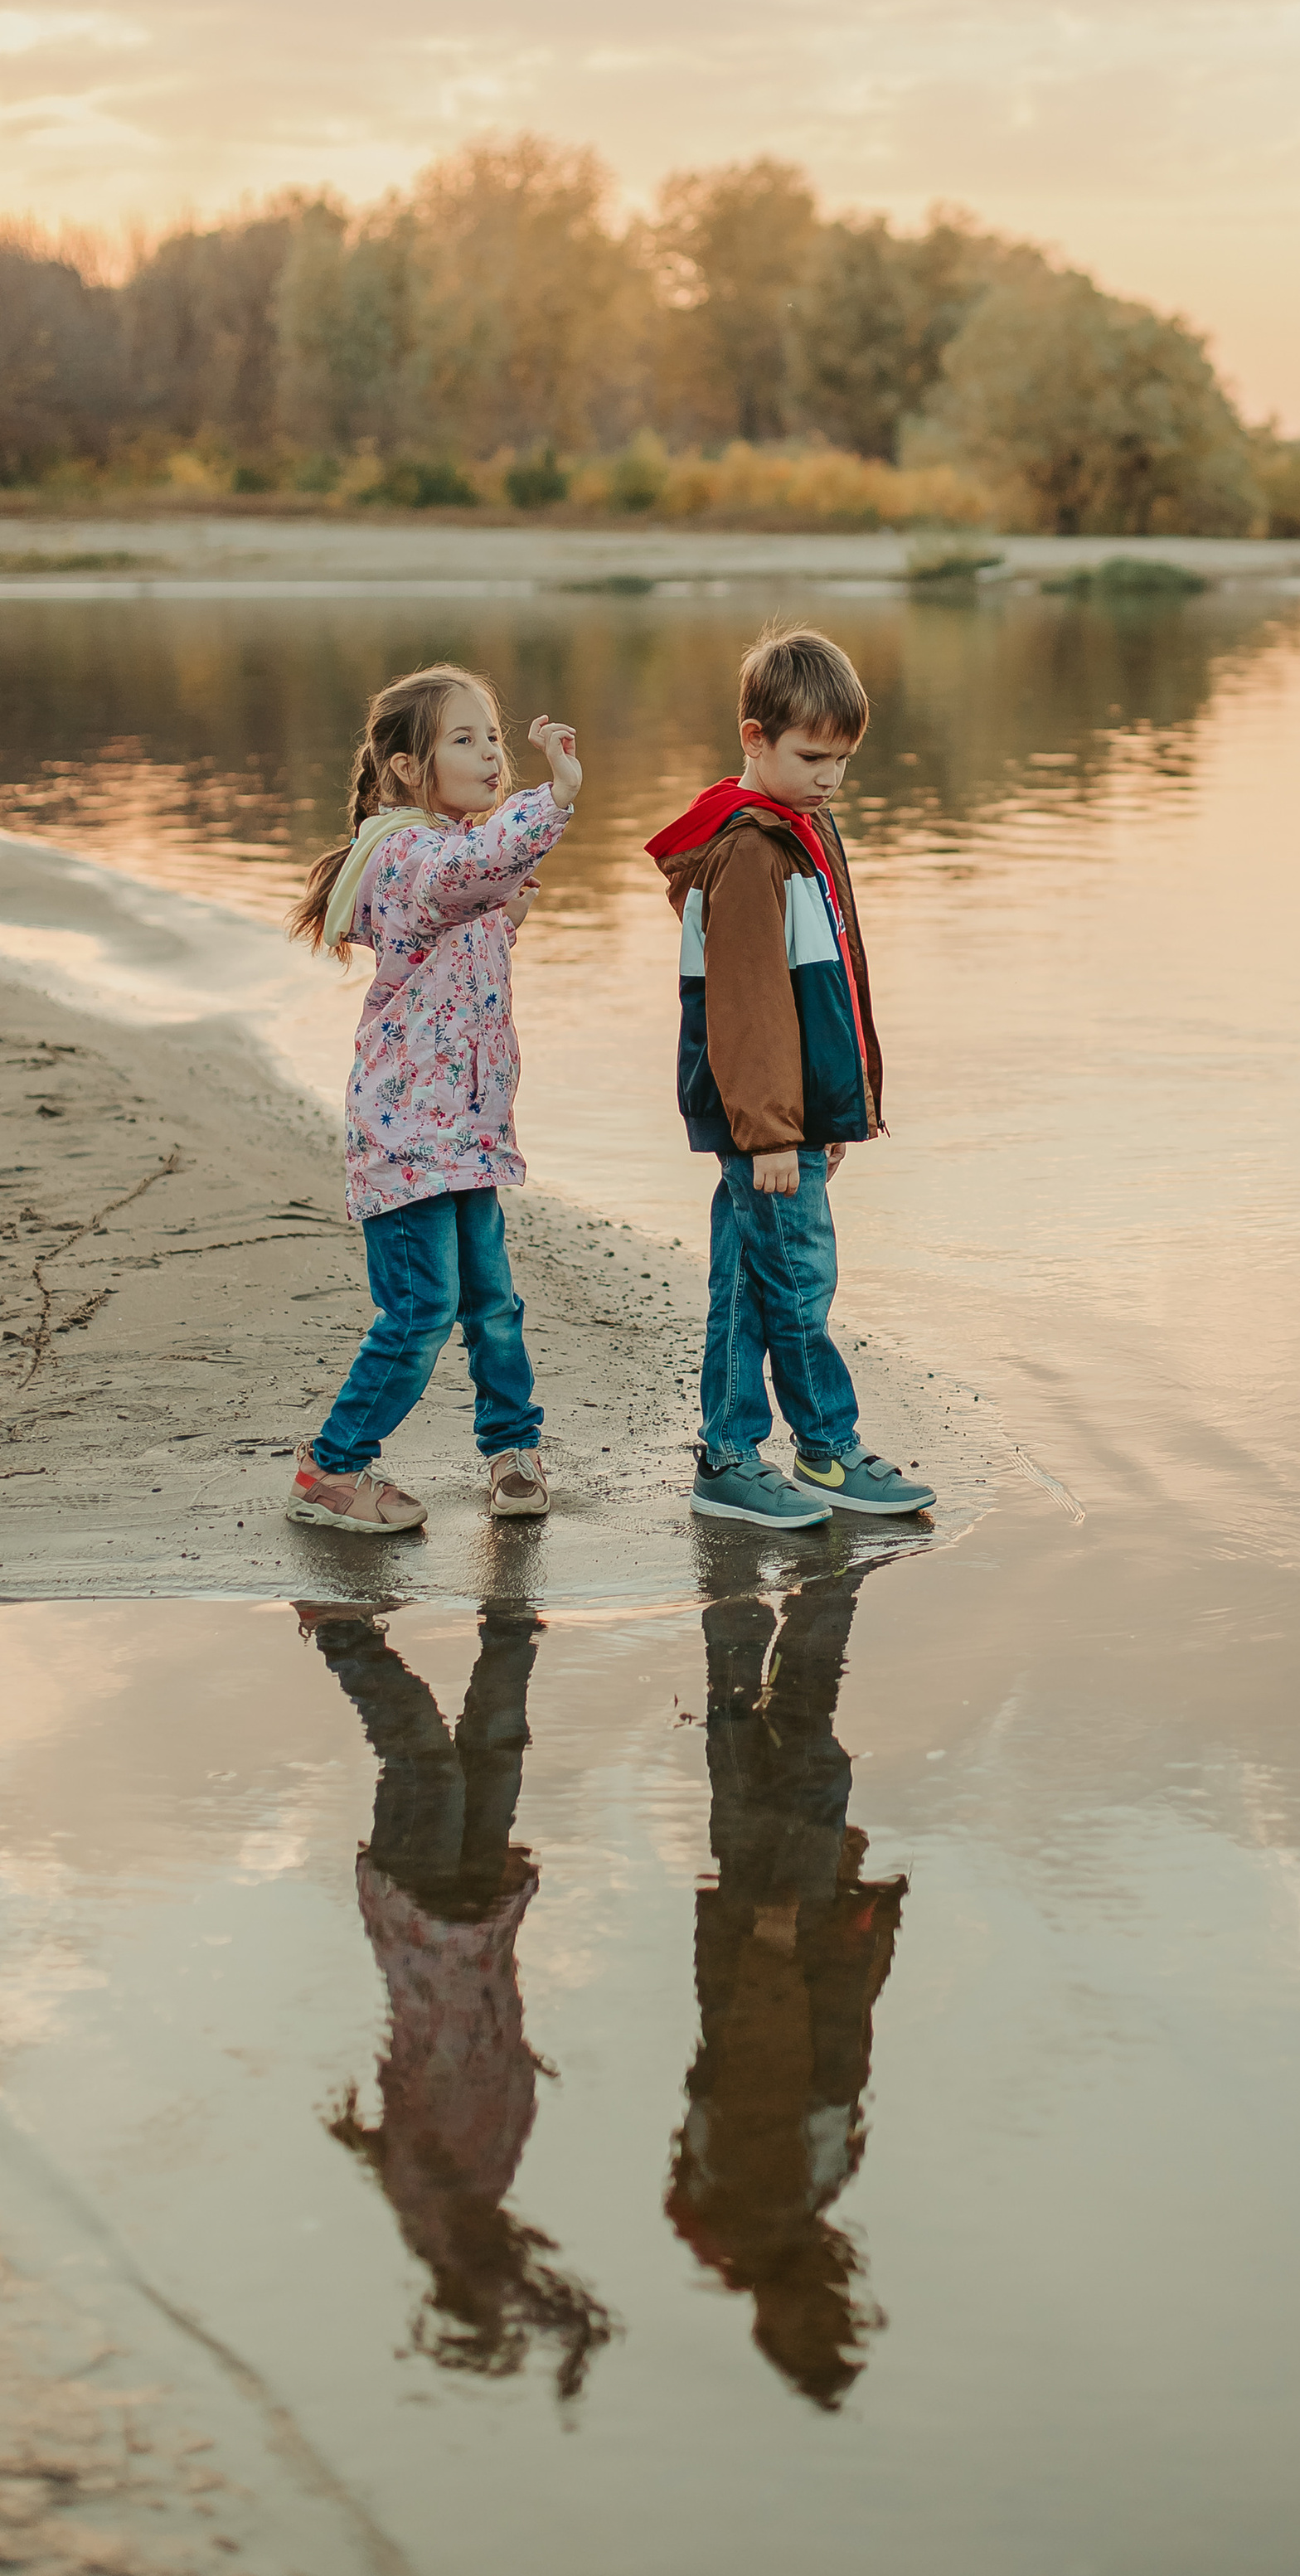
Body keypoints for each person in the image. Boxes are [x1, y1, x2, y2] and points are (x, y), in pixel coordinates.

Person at [645, 624, 934, 1531]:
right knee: (800, 1282)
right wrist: (772, 1130)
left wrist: (833, 1113)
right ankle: (825, 1449)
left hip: (786, 1115)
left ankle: (729, 1459)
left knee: (745, 1286)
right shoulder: (749, 851)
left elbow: (826, 987)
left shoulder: (800, 827)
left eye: (843, 762)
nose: (828, 778)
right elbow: (749, 1004)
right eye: (811, 757)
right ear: (753, 737)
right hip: (764, 1122)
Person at [284, 664, 582, 1535]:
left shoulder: (435, 853)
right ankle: (332, 1471)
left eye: (494, 737)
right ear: (409, 767)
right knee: (419, 1313)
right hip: (412, 1137)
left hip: (465, 1133)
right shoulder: (413, 853)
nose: (492, 753)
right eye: (466, 739)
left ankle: (511, 1447)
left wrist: (505, 918)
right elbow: (466, 869)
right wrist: (551, 799)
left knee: (491, 1301)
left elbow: (464, 902)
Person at [301, 1600, 613, 2401]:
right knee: (492, 1750)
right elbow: (510, 2265)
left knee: (426, 1766)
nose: (502, 2273)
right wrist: (561, 2324)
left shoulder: (439, 2216)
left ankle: (341, 1632)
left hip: (425, 1924)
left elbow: (497, 2265)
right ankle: (508, 1620)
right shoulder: (474, 2193)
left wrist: (560, 2326)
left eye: (485, 2294)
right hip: (470, 1930)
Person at [664, 1552, 909, 2407]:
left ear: (782, 2321)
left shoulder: (759, 2209)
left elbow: (756, 2072)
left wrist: (776, 1937)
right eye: (843, 2320)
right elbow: (831, 2061)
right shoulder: (772, 2215)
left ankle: (804, 1582)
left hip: (773, 1937)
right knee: (766, 1747)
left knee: (787, 1750)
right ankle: (770, 1586)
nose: (845, 2305)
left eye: (827, 2323)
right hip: (775, 1934)